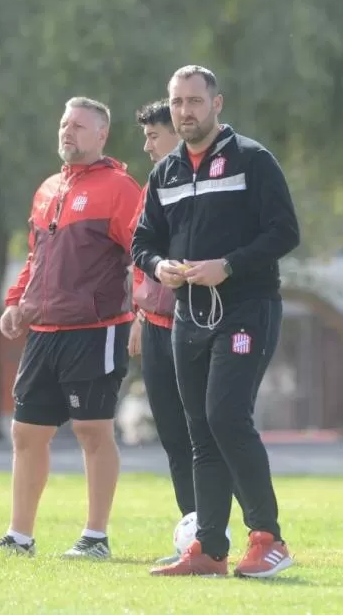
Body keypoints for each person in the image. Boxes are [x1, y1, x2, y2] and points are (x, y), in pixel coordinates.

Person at [132, 66, 300, 578]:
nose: (185, 111)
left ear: (217, 103)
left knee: (227, 417)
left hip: (248, 309)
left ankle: (269, 538)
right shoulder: (166, 173)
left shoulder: (252, 159)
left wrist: (227, 265)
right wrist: (160, 268)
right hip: (189, 316)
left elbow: (285, 232)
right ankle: (208, 549)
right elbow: (144, 242)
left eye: (195, 101)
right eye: (178, 102)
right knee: (200, 430)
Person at [0, 97, 141, 560]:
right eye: (65, 124)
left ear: (102, 135)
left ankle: (95, 537)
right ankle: (19, 538)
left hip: (97, 328)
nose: (69, 132)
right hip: (44, 332)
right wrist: (16, 303)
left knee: (91, 429)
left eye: (80, 126)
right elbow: (36, 257)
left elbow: (142, 253)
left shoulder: (120, 188)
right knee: (26, 433)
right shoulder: (47, 189)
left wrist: (142, 311)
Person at [127, 99, 194, 564]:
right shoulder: (154, 184)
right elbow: (140, 252)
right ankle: (193, 530)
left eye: (154, 135)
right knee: (172, 434)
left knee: (207, 432)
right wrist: (137, 317)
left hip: (195, 322)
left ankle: (228, 528)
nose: (147, 146)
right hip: (153, 324)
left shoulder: (203, 186)